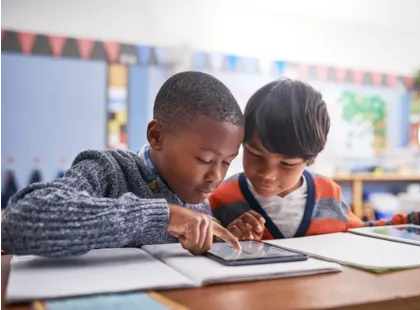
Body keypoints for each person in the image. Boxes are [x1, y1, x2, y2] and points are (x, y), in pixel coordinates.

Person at [1, 71, 244, 257]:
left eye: (227, 163)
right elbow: (20, 220)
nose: (216, 176)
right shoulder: (109, 170)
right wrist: (163, 216)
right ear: (157, 136)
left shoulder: (198, 198)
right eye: (205, 160)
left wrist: (223, 237)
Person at [209, 79, 420, 241]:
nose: (267, 173)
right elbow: (198, 247)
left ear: (311, 159)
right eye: (254, 154)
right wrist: (225, 240)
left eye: (287, 164)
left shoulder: (328, 193)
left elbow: (365, 232)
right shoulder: (220, 198)